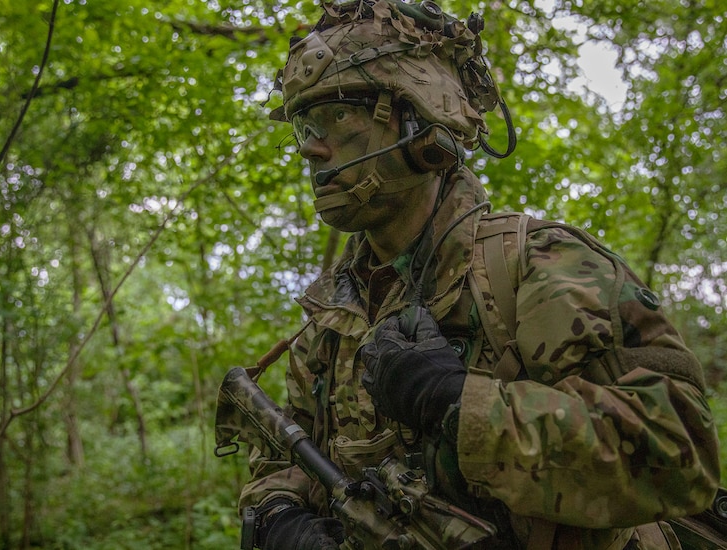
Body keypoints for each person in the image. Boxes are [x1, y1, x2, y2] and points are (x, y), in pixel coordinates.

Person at [234, 0, 721, 548]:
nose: (310, 148)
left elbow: (681, 457)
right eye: (304, 124)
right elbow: (284, 453)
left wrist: (458, 401)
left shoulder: (539, 266)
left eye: (337, 118)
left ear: (423, 125)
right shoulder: (330, 311)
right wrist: (280, 514)